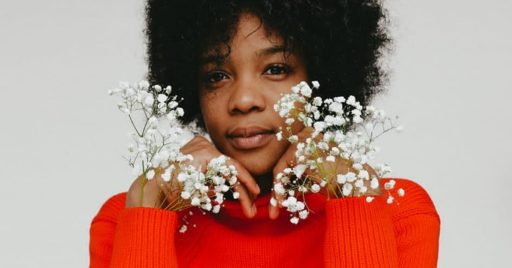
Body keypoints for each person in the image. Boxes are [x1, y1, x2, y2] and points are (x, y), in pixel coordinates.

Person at [90, 0, 440, 267]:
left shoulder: (395, 210)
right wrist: (148, 212)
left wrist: (355, 202)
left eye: (275, 69)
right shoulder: (129, 214)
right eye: (216, 75)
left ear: (320, 78)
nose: (243, 100)